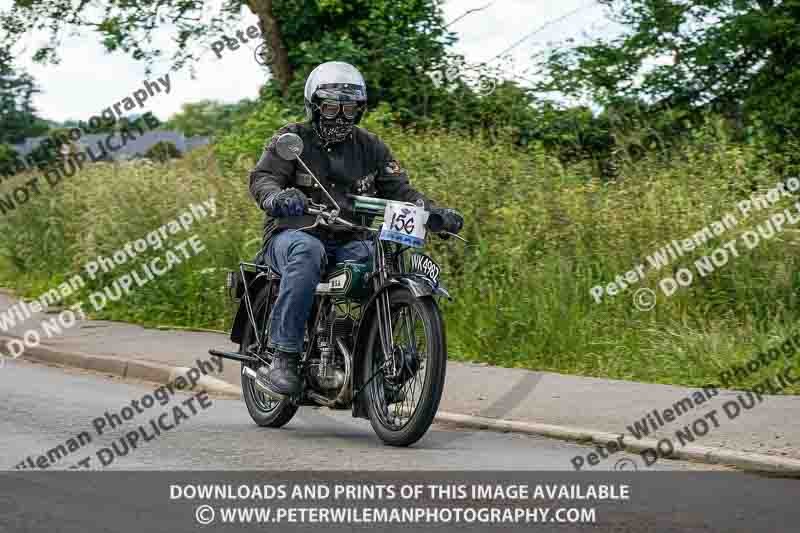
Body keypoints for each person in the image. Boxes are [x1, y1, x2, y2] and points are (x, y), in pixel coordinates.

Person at [249, 61, 464, 399]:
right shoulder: (292, 139)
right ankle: (283, 357)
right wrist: (278, 197)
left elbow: (401, 191)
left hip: (350, 236)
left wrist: (433, 212)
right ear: (315, 106)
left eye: (349, 108)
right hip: (294, 234)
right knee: (308, 253)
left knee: (377, 259)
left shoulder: (371, 147)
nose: (340, 116)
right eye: (332, 107)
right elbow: (263, 178)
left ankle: (372, 360)